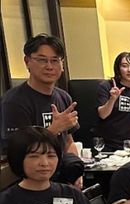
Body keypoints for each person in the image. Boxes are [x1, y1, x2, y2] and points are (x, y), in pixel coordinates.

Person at [0, 34, 83, 185]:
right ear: (27, 62)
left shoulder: (64, 97)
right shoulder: (13, 102)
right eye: (42, 60)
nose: (49, 66)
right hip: (29, 183)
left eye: (55, 60)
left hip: (61, 177)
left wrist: (76, 173)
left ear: (62, 65)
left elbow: (68, 142)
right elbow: (16, 153)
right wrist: (53, 129)